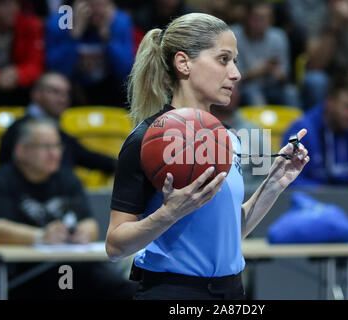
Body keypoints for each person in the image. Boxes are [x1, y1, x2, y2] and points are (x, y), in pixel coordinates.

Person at [105, 12, 310, 300]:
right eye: (223, 59)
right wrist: (168, 214)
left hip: (231, 291)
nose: (236, 73)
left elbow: (230, 232)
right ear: (183, 63)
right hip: (171, 292)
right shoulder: (146, 139)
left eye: (235, 61)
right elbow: (115, 247)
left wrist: (274, 183)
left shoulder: (229, 138)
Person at [0, 118, 137, 299]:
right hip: (28, 272)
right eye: (46, 147)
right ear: (21, 151)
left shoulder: (67, 177)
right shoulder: (3, 179)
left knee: (131, 291)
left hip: (74, 268)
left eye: (58, 146)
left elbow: (90, 223)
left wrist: (83, 233)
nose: (55, 154)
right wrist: (41, 236)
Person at [0, 72, 117, 174]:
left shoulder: (57, 130)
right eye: (55, 92)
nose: (63, 99)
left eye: (66, 93)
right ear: (36, 94)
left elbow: (86, 157)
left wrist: (121, 164)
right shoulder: (17, 130)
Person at [282, 77, 348, 187]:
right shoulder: (300, 130)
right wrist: (324, 195)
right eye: (347, 107)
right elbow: (287, 178)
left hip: (346, 200)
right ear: (330, 103)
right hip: (308, 200)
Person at [45, 0, 134, 107]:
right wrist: (74, 35)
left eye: (102, 5)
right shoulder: (60, 23)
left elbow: (126, 73)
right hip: (71, 92)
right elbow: (56, 73)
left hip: (110, 92)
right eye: (92, 5)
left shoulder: (120, 22)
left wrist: (107, 37)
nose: (98, 11)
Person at [230, 1, 301, 107]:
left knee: (291, 92)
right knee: (252, 92)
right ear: (247, 17)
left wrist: (279, 74)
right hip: (246, 87)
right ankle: (258, 124)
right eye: (256, 18)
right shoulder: (233, 35)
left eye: (265, 19)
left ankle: (296, 123)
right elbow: (232, 79)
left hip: (272, 86)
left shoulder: (278, 36)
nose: (260, 23)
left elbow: (286, 75)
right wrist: (256, 73)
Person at [0, 0, 44, 106]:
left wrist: (19, 74)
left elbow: (36, 64)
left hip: (18, 84)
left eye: (14, 4)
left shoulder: (31, 25)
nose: (11, 9)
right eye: (4, 4)